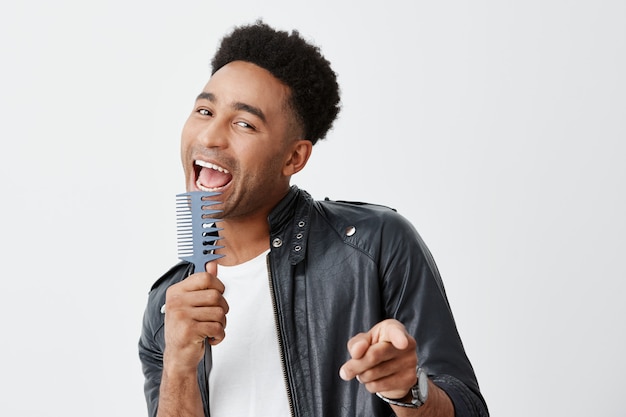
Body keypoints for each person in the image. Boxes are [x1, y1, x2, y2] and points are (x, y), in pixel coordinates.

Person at [138, 20, 489, 417]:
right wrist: (179, 370)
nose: (210, 137)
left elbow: (468, 409)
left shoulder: (374, 247)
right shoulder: (167, 307)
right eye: (204, 111)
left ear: (294, 157)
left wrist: (407, 391)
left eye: (244, 123)